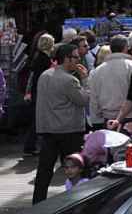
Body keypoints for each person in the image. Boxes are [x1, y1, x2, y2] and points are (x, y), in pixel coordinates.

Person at [33, 43, 90, 204]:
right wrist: (85, 79)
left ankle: (37, 203)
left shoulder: (45, 75)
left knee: (44, 171)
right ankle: (77, 202)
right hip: (68, 131)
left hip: (48, 130)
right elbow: (83, 100)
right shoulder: (69, 80)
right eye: (76, 57)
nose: (79, 59)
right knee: (75, 169)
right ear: (66, 59)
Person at [88, 34, 132, 130]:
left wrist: (96, 121)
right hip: (130, 117)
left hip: (107, 118)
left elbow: (94, 97)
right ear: (126, 48)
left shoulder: (98, 70)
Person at [24, 32, 55, 156]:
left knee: (36, 120)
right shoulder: (44, 59)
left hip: (36, 92)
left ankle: (31, 146)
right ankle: (31, 146)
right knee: (37, 121)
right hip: (41, 93)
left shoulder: (37, 57)